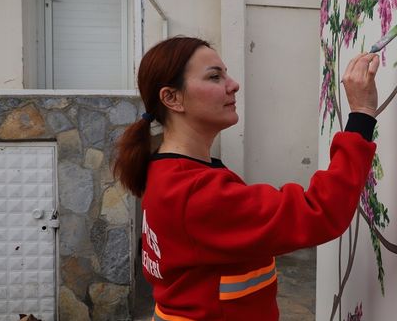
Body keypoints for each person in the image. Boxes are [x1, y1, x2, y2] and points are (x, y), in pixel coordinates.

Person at [114, 36, 380, 321]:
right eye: (215, 77)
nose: (233, 84)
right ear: (172, 98)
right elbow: (320, 212)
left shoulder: (166, 172)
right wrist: (362, 115)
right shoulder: (195, 192)